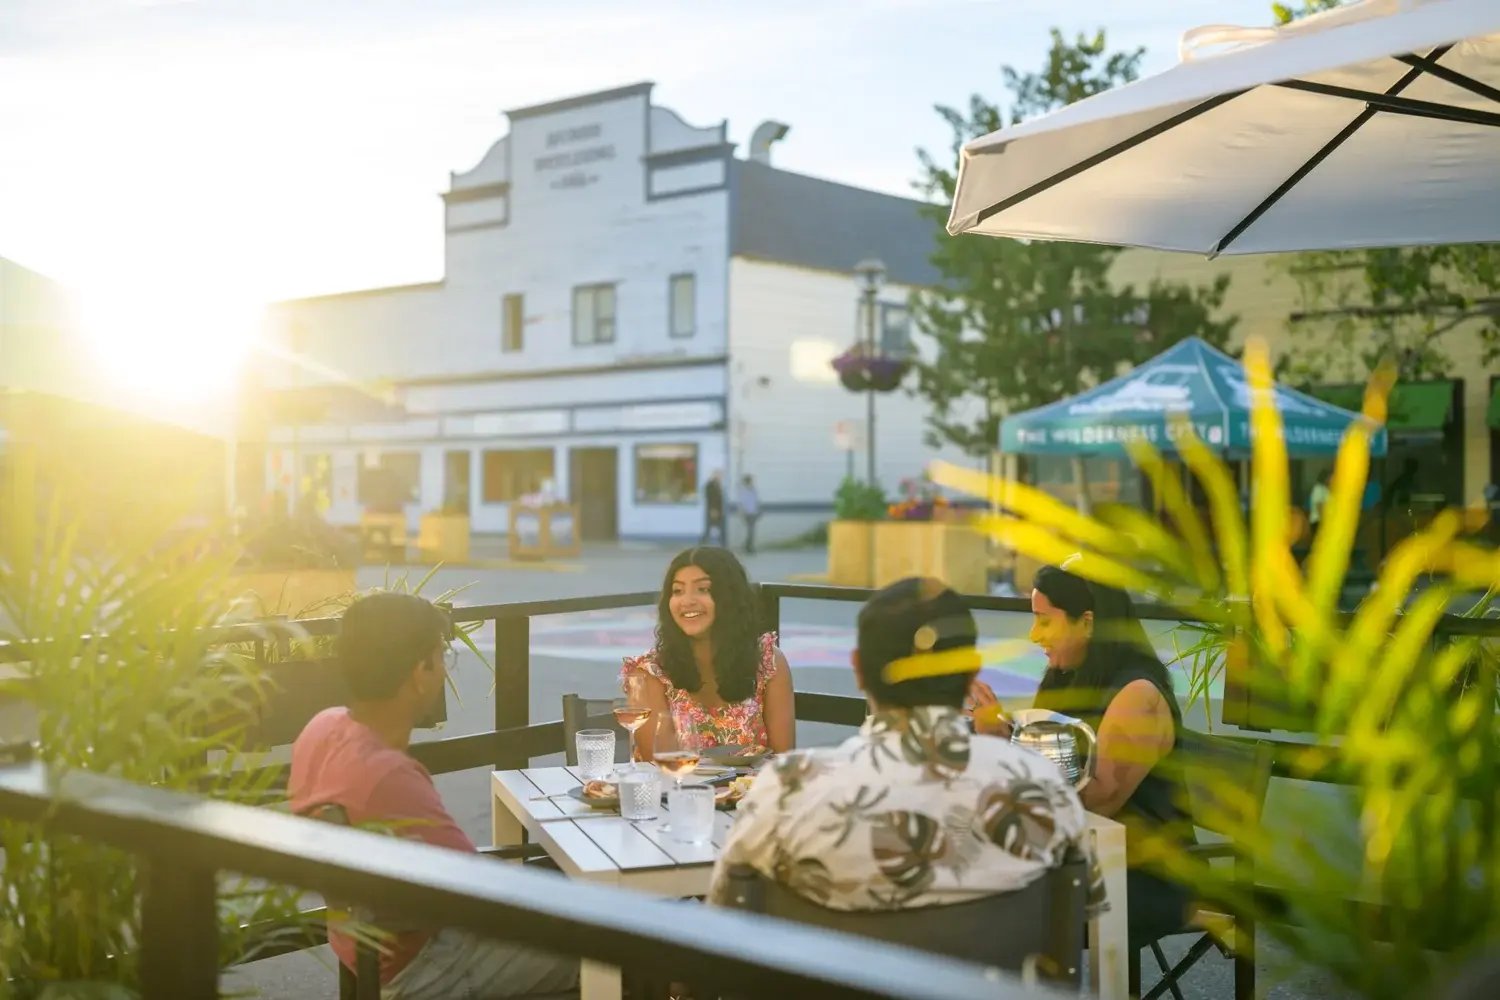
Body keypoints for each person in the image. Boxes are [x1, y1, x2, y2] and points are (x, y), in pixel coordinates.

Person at [707, 576, 1103, 915]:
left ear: (859, 670)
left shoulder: (787, 789)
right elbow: (1084, 916)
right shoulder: (1044, 790)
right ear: (971, 672)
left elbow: (725, 919)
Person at [289, 593, 578, 999]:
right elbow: (476, 895)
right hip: (427, 964)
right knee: (627, 951)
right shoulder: (387, 776)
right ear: (419, 670)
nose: (444, 670)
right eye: (441, 656)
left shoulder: (323, 727)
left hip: (367, 944)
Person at [970, 562, 1195, 950]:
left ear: (1087, 622)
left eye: (1044, 621)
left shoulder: (1138, 694)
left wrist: (1001, 745)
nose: (1034, 634)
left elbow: (1095, 801)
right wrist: (1005, 736)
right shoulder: (1070, 677)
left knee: (988, 904)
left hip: (1144, 873)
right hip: (1083, 857)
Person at [621, 546, 794, 754]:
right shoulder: (648, 674)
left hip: (753, 787)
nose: (687, 601)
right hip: (677, 786)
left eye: (703, 589)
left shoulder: (768, 662)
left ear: (729, 597)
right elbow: (661, 763)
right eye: (677, 591)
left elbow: (783, 760)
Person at [737, 474, 761, 555]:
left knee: (751, 531)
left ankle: (748, 546)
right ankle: (749, 547)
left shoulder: (754, 490)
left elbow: (756, 501)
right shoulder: (744, 491)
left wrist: (758, 511)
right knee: (750, 531)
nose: (752, 482)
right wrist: (742, 514)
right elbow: (742, 503)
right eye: (750, 481)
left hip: (753, 513)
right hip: (747, 513)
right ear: (748, 482)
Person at [700, 470, 726, 546]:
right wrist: (713, 510)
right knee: (710, 526)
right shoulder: (710, 485)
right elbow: (710, 498)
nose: (720, 477)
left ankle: (721, 543)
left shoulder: (718, 485)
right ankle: (704, 542)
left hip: (719, 510)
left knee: (718, 527)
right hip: (713, 510)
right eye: (719, 475)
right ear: (715, 476)